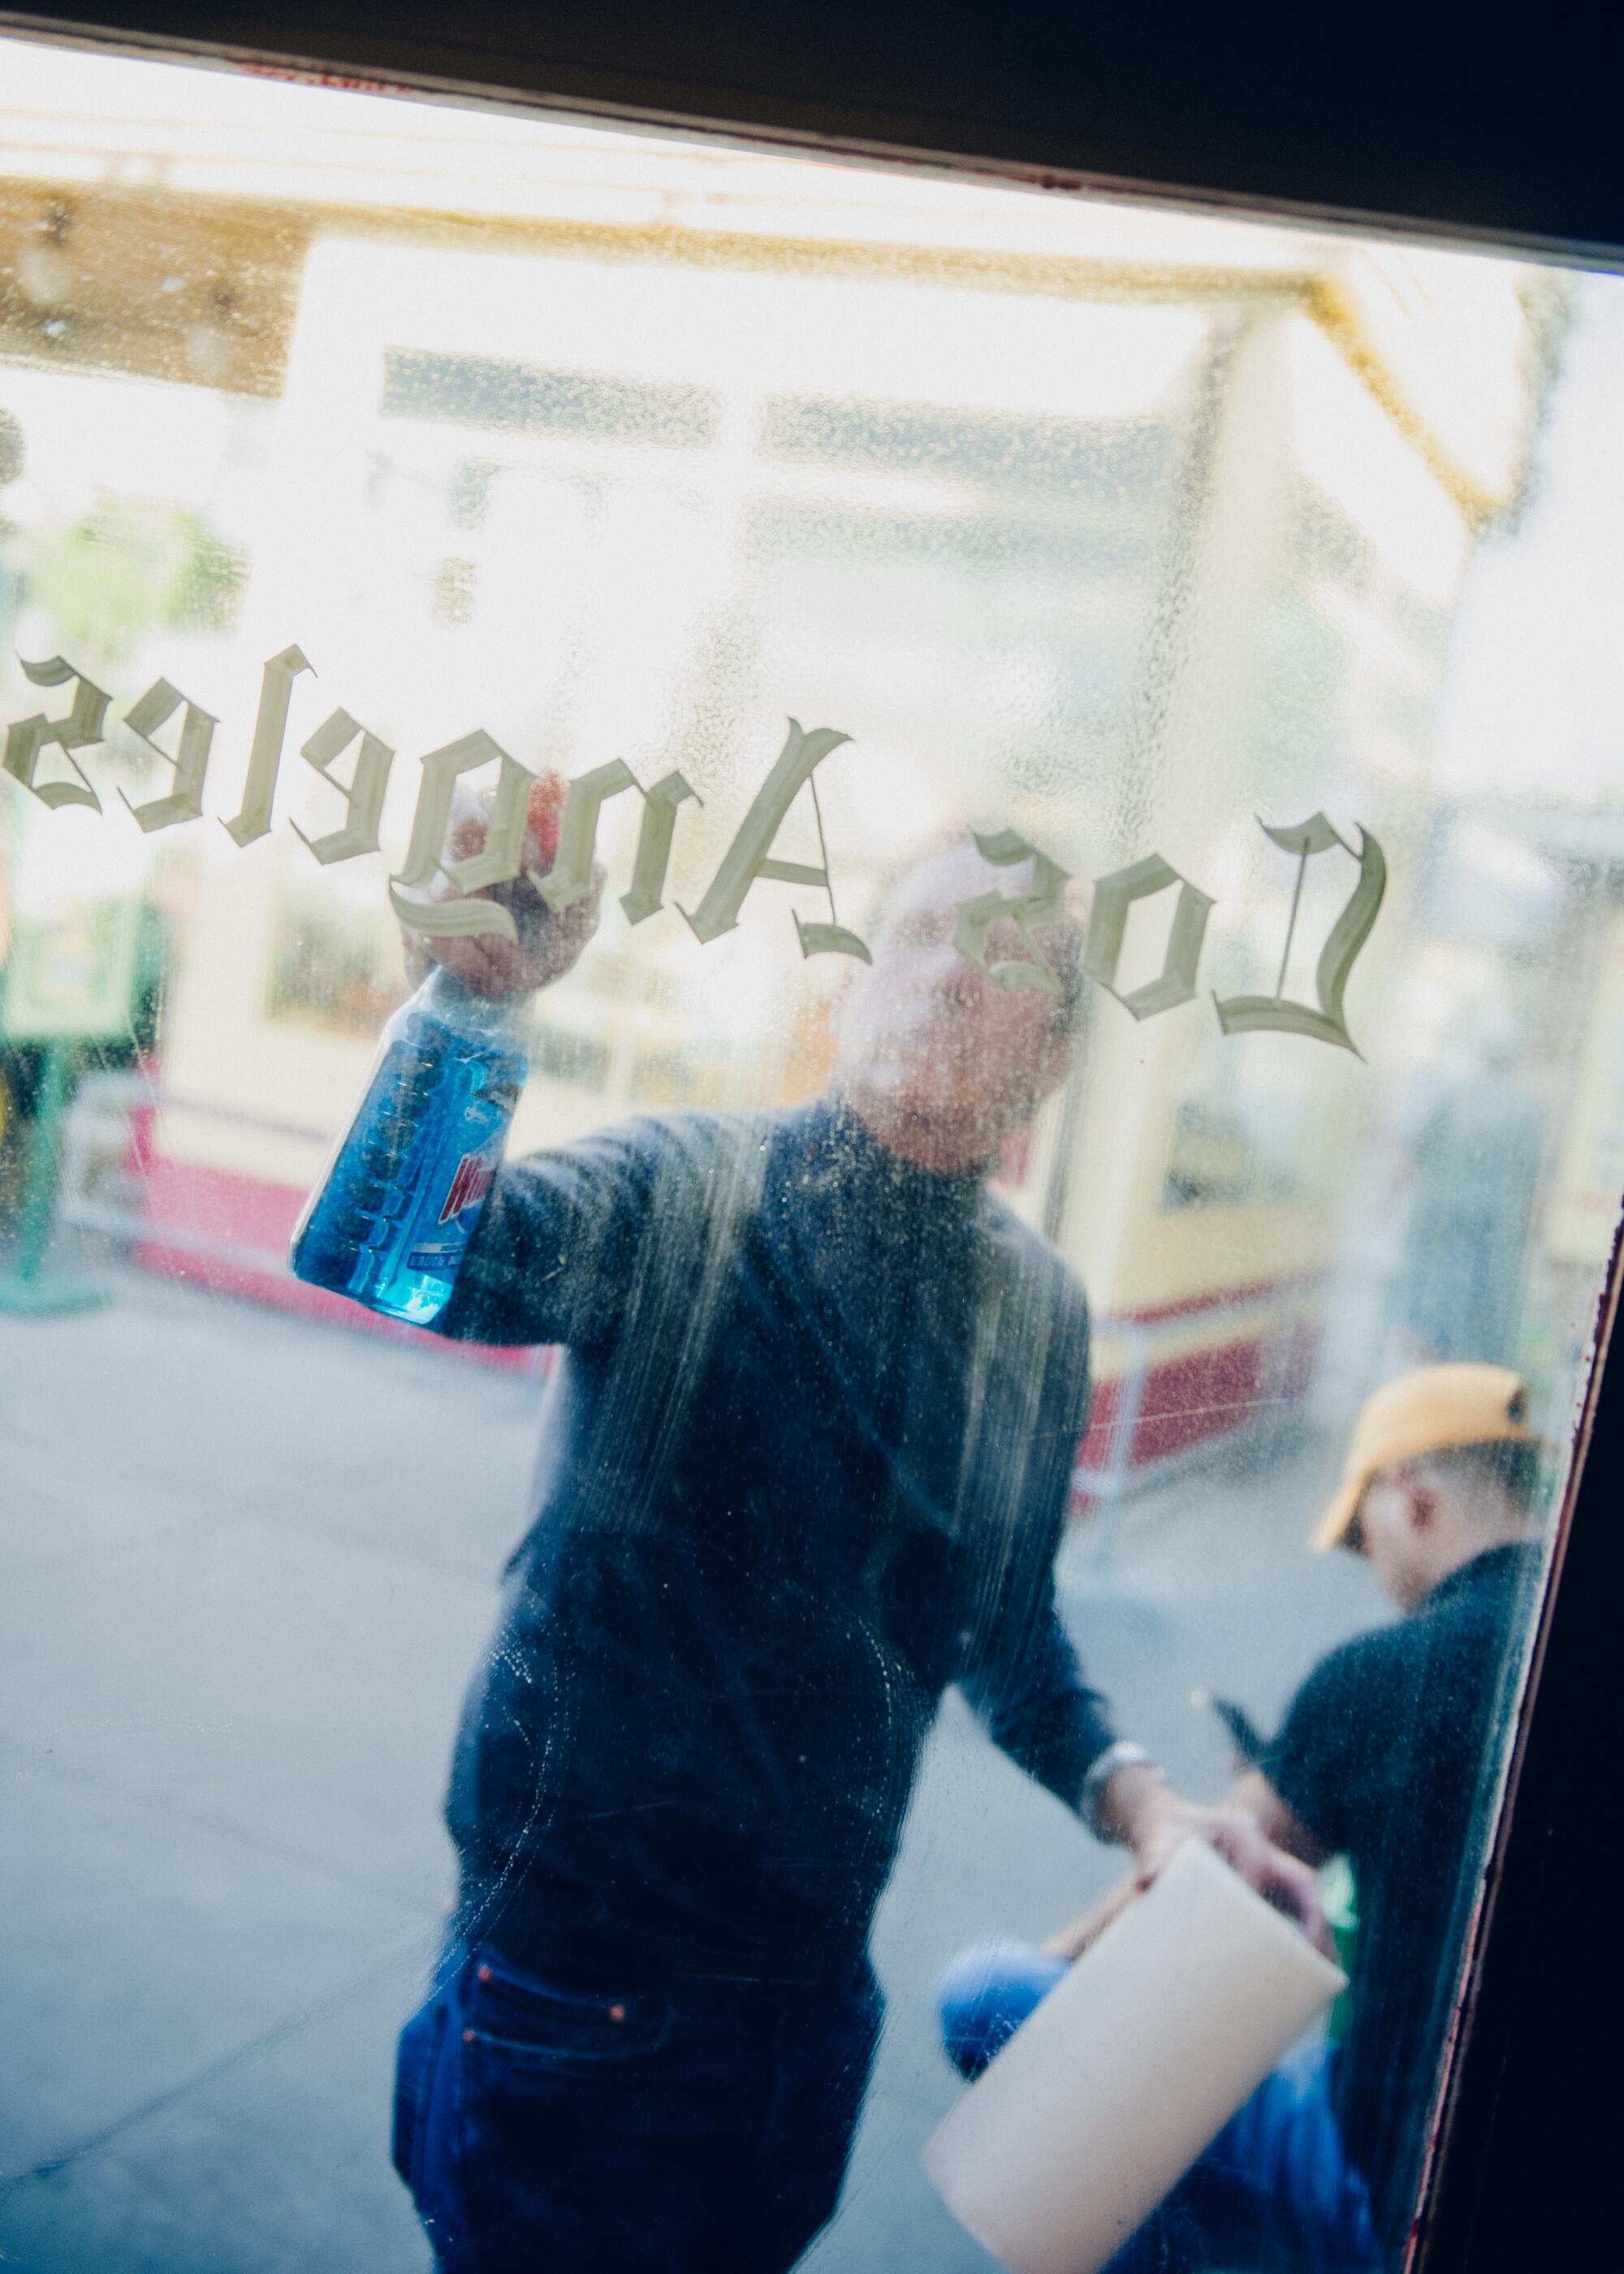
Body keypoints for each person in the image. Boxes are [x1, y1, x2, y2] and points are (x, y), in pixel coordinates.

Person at [388, 829, 1321, 2274]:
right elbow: (405, 1258)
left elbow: (1004, 1627)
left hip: (807, 2022)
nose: (954, 968)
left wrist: (1150, 1814)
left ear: (1053, 1059)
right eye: (926, 929)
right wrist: (473, 1013)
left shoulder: (1034, 1311)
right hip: (577, 1998)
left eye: (1008, 957)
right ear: (859, 978)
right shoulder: (684, 1192)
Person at [938, 1362, 1547, 2272]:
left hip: (1380, 2200)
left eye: (1361, 1533)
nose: (1370, 1565)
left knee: (982, 1993)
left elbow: (1194, 1872)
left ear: (1412, 1501)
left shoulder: (1387, 1675)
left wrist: (1055, 1979)